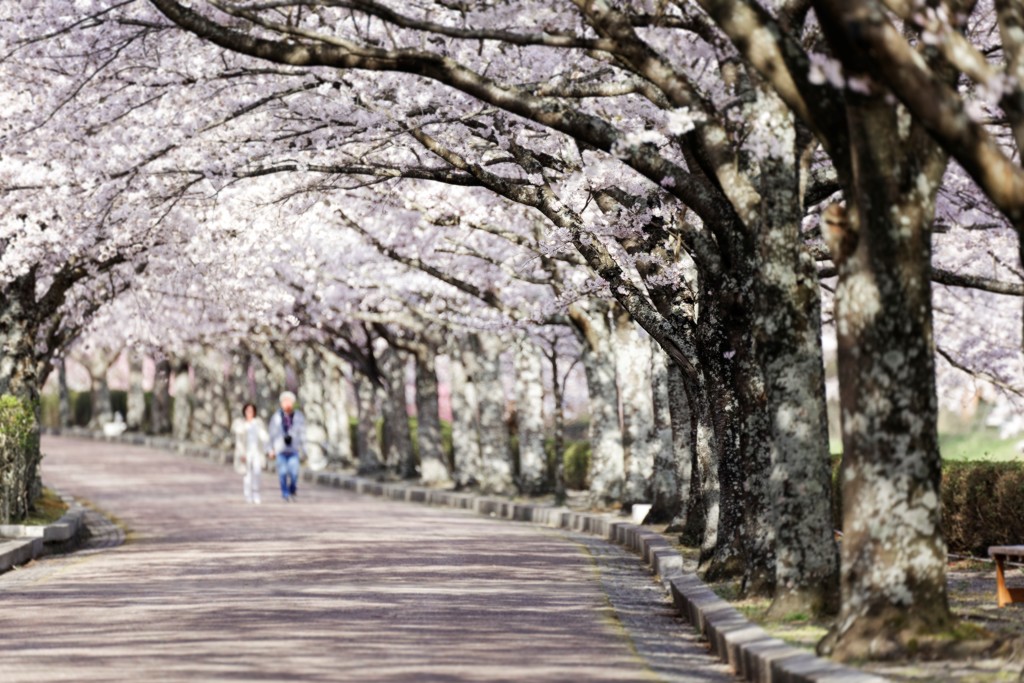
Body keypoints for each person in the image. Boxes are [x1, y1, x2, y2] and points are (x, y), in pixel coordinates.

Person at [268, 390, 306, 502]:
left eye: (289, 401)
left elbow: (303, 433)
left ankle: (292, 489)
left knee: (294, 474)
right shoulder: (276, 417)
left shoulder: (299, 416)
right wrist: (270, 449)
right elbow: (271, 434)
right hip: (280, 450)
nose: (287, 403)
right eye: (284, 401)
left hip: (294, 449)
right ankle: (285, 494)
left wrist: (305, 450)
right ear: (281, 403)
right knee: (282, 473)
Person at [232, 402, 270, 504]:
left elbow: (264, 437)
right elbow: (238, 440)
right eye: (248, 411)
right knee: (247, 474)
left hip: (257, 452)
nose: (249, 413)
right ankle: (247, 494)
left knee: (257, 472)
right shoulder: (240, 423)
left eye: (251, 411)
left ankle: (256, 493)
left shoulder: (257, 423)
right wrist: (241, 454)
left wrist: (269, 449)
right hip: (246, 452)